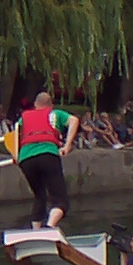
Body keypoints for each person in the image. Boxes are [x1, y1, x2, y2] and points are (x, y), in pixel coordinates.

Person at [15, 91, 77, 230]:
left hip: (26, 159)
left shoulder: (24, 117)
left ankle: (36, 230)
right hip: (48, 154)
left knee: (39, 195)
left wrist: (16, 156)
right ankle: (49, 226)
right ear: (50, 105)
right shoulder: (55, 114)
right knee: (60, 200)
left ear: (35, 105)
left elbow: (15, 134)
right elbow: (74, 120)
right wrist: (67, 146)